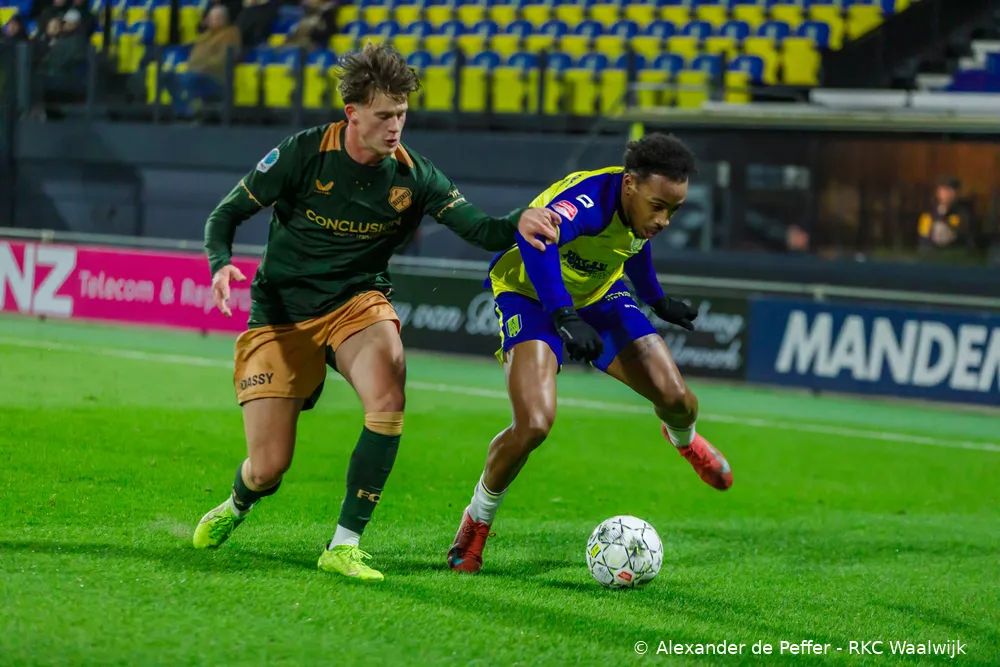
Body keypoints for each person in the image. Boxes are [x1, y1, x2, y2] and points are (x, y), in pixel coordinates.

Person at [192, 42, 561, 582]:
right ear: (353, 114)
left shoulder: (416, 176)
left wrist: (519, 221)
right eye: (385, 115)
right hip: (281, 313)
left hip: (356, 302)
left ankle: (344, 544)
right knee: (268, 468)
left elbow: (482, 230)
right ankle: (237, 503)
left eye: (402, 114)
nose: (395, 127)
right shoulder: (303, 153)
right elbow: (225, 215)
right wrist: (221, 264)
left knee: (388, 393)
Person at [447, 133, 734, 574]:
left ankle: (684, 440)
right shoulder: (586, 201)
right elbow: (536, 240)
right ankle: (477, 519)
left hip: (599, 295)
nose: (664, 220)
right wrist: (563, 313)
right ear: (630, 184)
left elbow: (632, 244)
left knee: (677, 399)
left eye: (673, 210)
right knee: (534, 424)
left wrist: (656, 299)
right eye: (658, 206)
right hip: (529, 293)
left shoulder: (637, 209)